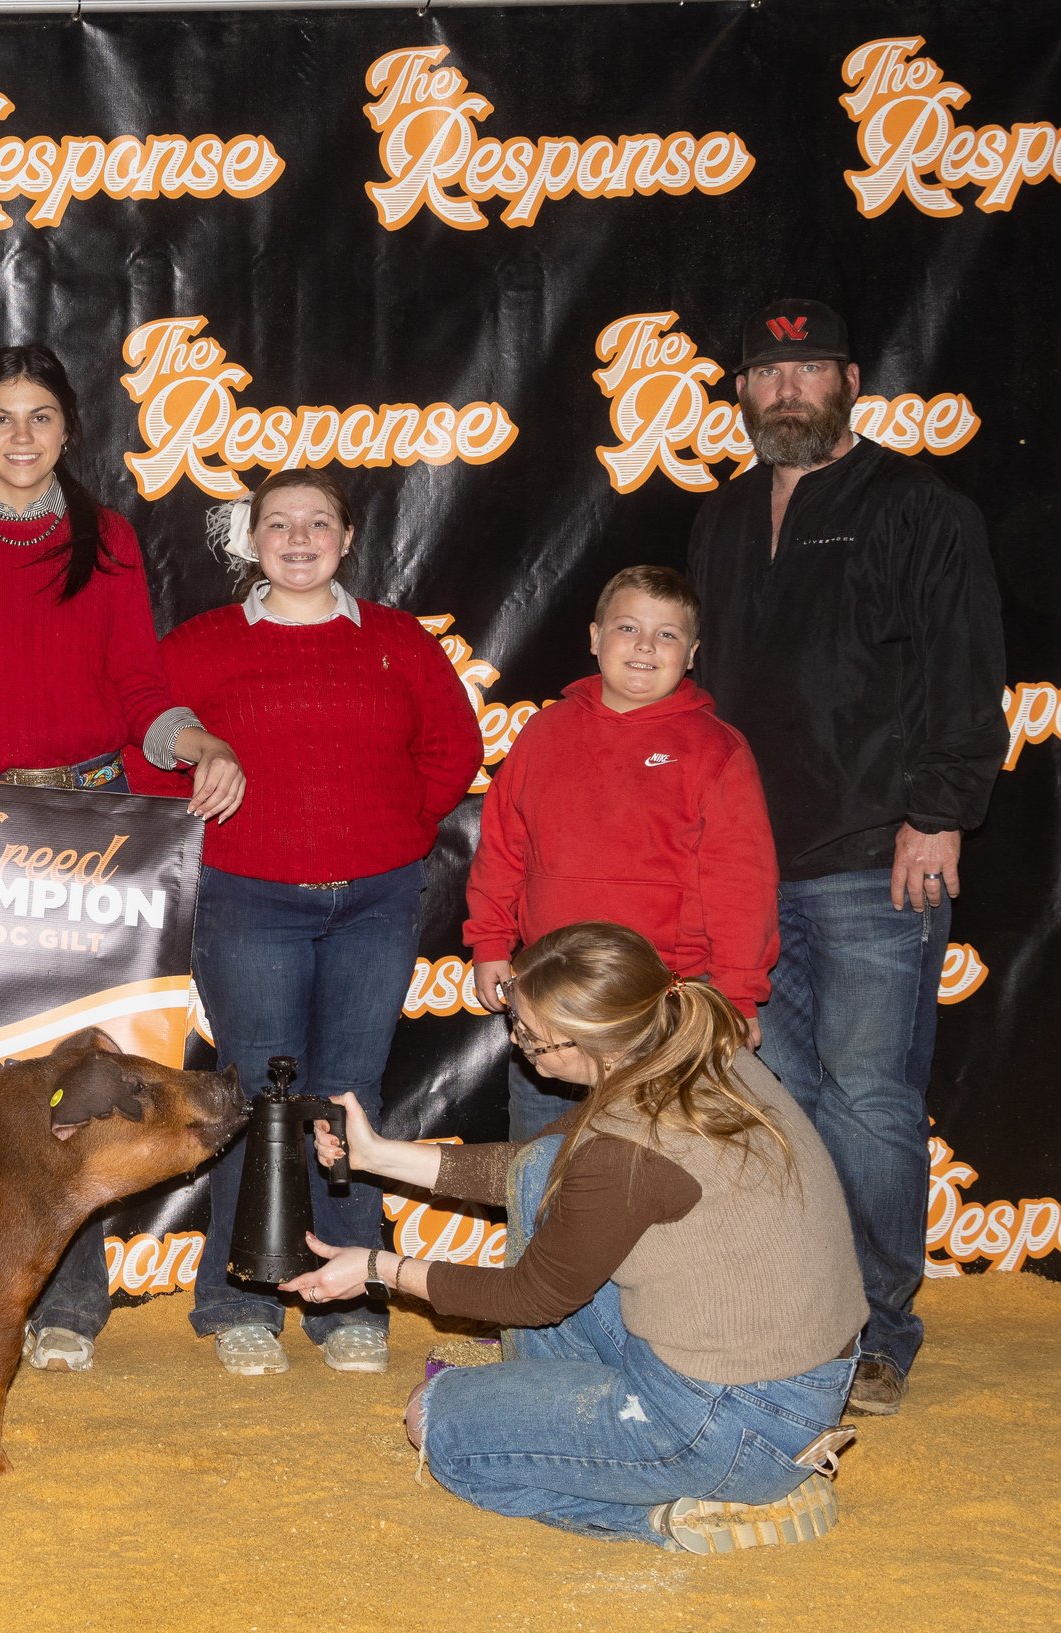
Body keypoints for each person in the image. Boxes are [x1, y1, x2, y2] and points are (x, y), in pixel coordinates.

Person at [0, 341, 242, 1375]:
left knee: (80, 1075)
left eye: (41, 416)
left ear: (69, 430)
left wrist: (195, 741)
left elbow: (137, 686)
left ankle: (69, 1304)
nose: (22, 436)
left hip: (90, 828)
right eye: (2, 417)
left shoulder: (111, 539)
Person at [292, 922, 865, 1554]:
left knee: (435, 1421)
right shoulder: (694, 1053)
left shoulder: (631, 1145)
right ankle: (572, 1421)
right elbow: (534, 1167)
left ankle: (679, 1514)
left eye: (531, 1038)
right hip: (792, 1382)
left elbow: (531, 1298)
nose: (518, 1046)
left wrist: (377, 1267)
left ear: (595, 1041)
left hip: (729, 1424)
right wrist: (377, 1156)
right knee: (545, 1170)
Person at [686, 298, 1006, 1417]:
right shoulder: (720, 521)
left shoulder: (919, 509)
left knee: (870, 1100)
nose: (786, 390)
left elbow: (968, 677)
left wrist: (939, 811)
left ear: (851, 381)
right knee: (787, 1096)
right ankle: (812, 1309)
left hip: (877, 858)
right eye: (766, 373)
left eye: (807, 370)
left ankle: (879, 1329)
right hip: (743, 867)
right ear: (739, 392)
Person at [130, 467, 480, 1377]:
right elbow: (150, 756)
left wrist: (397, 831)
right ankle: (240, 1294)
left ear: (347, 537)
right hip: (250, 901)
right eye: (276, 523)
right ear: (251, 539)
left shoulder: (399, 641)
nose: (296, 538)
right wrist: (203, 812)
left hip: (376, 900)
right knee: (257, 1103)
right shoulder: (201, 647)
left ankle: (351, 1294)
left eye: (315, 522)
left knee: (350, 1093)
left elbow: (455, 748)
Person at [466, 565, 779, 1141]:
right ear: (593, 637)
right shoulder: (544, 733)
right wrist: (489, 941)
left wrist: (736, 994)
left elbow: (743, 884)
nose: (644, 646)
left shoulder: (716, 748)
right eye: (628, 627)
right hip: (552, 1002)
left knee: (661, 1170)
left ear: (692, 654)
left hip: (666, 1001)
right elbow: (504, 848)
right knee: (539, 1167)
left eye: (667, 635)